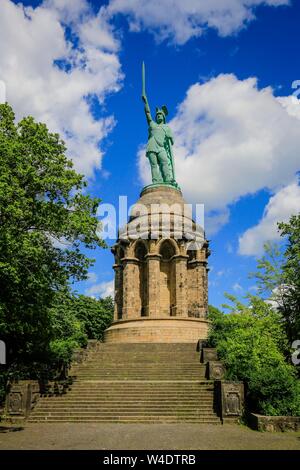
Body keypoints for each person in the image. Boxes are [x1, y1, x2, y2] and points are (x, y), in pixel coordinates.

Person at [142, 94, 175, 184]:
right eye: (157, 115)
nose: (159, 116)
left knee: (164, 162)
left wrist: (170, 138)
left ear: (164, 117)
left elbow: (172, 141)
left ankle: (168, 178)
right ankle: (155, 180)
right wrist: (146, 102)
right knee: (154, 165)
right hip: (152, 146)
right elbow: (147, 113)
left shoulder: (166, 128)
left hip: (161, 147)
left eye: (160, 115)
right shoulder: (152, 124)